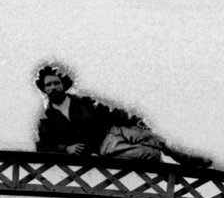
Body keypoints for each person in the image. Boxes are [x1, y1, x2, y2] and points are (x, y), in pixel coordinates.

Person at [32, 63, 210, 167]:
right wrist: (66, 149)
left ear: (63, 84)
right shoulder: (47, 121)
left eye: (56, 83)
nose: (53, 87)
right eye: (49, 85)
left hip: (116, 129)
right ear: (44, 88)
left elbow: (111, 112)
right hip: (104, 145)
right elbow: (43, 147)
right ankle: (170, 175)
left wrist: (136, 121)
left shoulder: (83, 102)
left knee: (156, 139)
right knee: (151, 154)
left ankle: (188, 160)